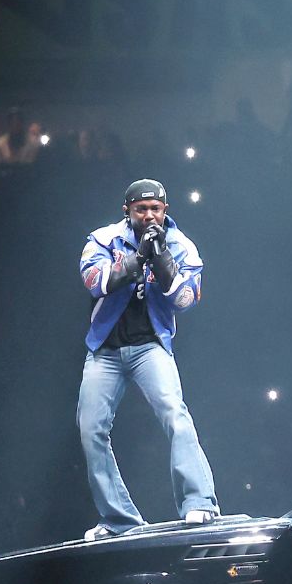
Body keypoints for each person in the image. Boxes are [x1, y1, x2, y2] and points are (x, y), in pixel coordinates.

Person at [75, 179, 217, 539]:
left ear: (165, 210)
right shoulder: (103, 239)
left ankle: (199, 502)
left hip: (149, 347)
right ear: (128, 211)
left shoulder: (182, 246)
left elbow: (186, 300)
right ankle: (118, 520)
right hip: (105, 350)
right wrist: (138, 258)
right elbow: (96, 281)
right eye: (142, 209)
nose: (149, 215)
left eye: (156, 209)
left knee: (175, 413)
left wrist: (162, 258)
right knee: (91, 429)